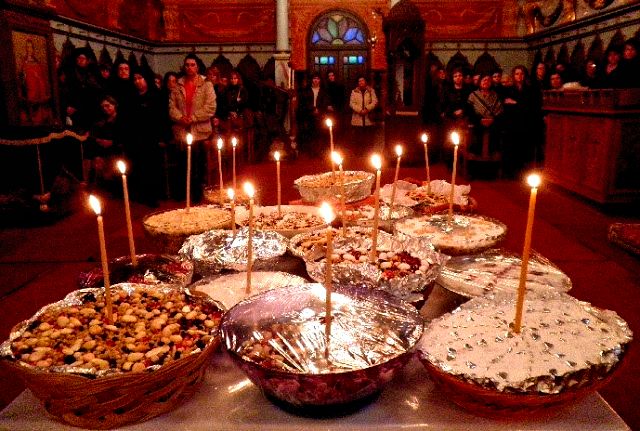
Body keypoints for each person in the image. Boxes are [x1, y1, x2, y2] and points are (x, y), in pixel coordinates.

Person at [169, 53, 216, 202]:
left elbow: (210, 107)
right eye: (187, 65)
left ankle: (196, 193)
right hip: (182, 128)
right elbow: (171, 107)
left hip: (200, 129)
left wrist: (194, 118)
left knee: (198, 163)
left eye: (192, 65)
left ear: (197, 67)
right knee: (182, 162)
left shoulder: (206, 84)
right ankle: (183, 192)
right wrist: (180, 117)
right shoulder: (178, 85)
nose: (189, 67)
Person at [128, 69, 164, 206]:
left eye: (140, 78)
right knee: (138, 166)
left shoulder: (156, 95)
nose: (137, 81)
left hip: (152, 137)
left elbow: (161, 118)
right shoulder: (131, 97)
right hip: (136, 137)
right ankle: (140, 194)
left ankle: (153, 195)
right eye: (135, 79)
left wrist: (161, 137)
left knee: (152, 166)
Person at [502, 65, 536, 177]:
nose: (519, 76)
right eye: (517, 74)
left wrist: (516, 103)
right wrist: (519, 105)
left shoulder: (530, 90)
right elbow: (507, 105)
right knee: (511, 147)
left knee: (523, 148)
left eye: (521, 74)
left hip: (525, 123)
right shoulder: (509, 90)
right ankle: (511, 172)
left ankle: (522, 172)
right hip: (512, 123)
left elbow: (530, 106)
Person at [87, 95, 126, 188]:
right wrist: (97, 139)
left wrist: (112, 142)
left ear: (114, 105)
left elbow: (125, 136)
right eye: (103, 107)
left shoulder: (121, 120)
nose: (105, 108)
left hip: (117, 150)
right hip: (103, 151)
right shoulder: (102, 121)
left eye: (107, 106)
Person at [467, 73, 503, 157]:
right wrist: (480, 120)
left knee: (496, 130)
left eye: (488, 80)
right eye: (484, 80)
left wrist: (492, 119)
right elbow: (469, 111)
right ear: (480, 82)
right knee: (476, 131)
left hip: (493, 121)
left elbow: (499, 110)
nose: (486, 82)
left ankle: (494, 151)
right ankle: (475, 152)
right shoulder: (473, 95)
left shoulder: (495, 95)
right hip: (477, 120)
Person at [349, 75, 378, 153]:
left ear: (365, 81)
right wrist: (360, 110)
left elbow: (375, 101)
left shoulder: (371, 91)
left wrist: (367, 109)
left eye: (362, 80)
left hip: (368, 119)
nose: (361, 82)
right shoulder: (354, 92)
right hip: (357, 119)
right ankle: (359, 153)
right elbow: (352, 103)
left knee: (368, 138)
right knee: (358, 138)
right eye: (359, 81)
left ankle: (368, 153)